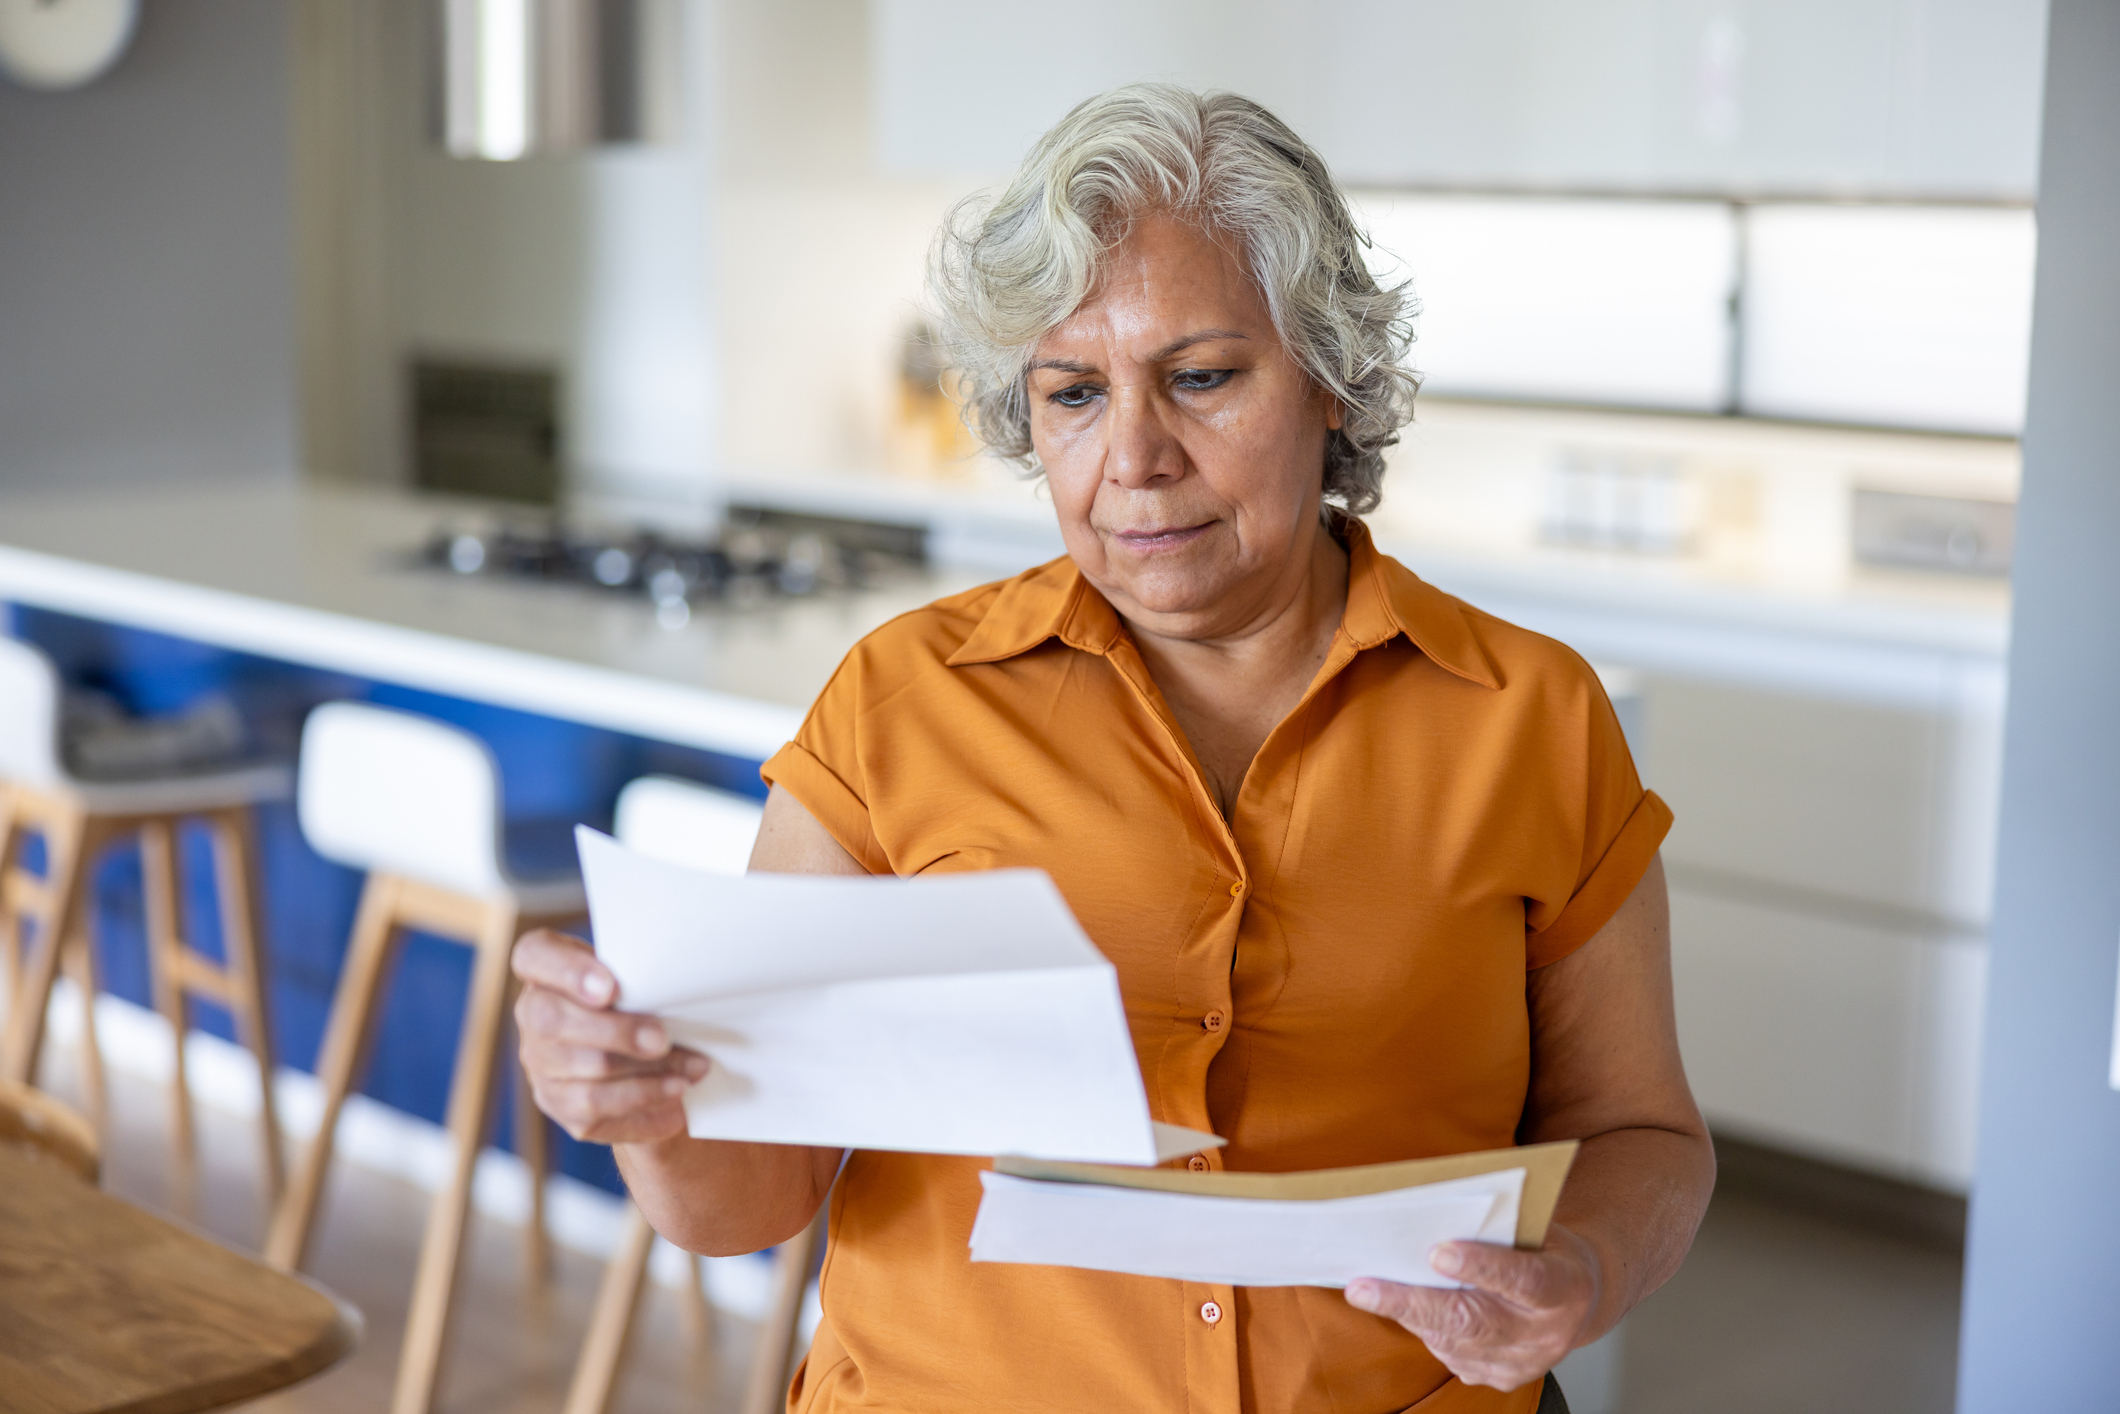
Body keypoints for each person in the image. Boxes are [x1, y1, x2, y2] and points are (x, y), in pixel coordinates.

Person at [512, 83, 1714, 1414]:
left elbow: (1642, 1133)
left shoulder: (1529, 717)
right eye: (1074, 392)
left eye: (1200, 376)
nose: (1132, 455)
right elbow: (747, 1197)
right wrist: (642, 1106)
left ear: (1328, 379)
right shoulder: (901, 703)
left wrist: (1586, 1268)